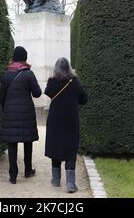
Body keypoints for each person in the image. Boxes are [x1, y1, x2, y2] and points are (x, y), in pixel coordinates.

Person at [45, 57, 88, 193]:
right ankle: (70, 183)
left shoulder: (52, 81)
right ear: (69, 67)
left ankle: (56, 180)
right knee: (70, 148)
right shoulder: (74, 82)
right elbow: (84, 99)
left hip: (55, 119)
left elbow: (48, 92)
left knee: (55, 145)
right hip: (70, 120)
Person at [0, 46, 42, 184]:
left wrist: (6, 109)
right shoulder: (28, 73)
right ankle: (28, 170)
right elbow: (37, 93)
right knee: (27, 141)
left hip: (10, 112)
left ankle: (13, 176)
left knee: (12, 143)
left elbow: (2, 97)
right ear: (25, 58)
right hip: (26, 113)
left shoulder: (7, 74)